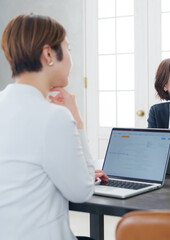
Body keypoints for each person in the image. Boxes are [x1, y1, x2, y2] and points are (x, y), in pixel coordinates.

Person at [0, 13, 108, 240]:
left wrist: (79, 170)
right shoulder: (54, 117)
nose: (70, 58)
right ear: (49, 54)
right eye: (68, 49)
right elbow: (82, 191)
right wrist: (77, 121)